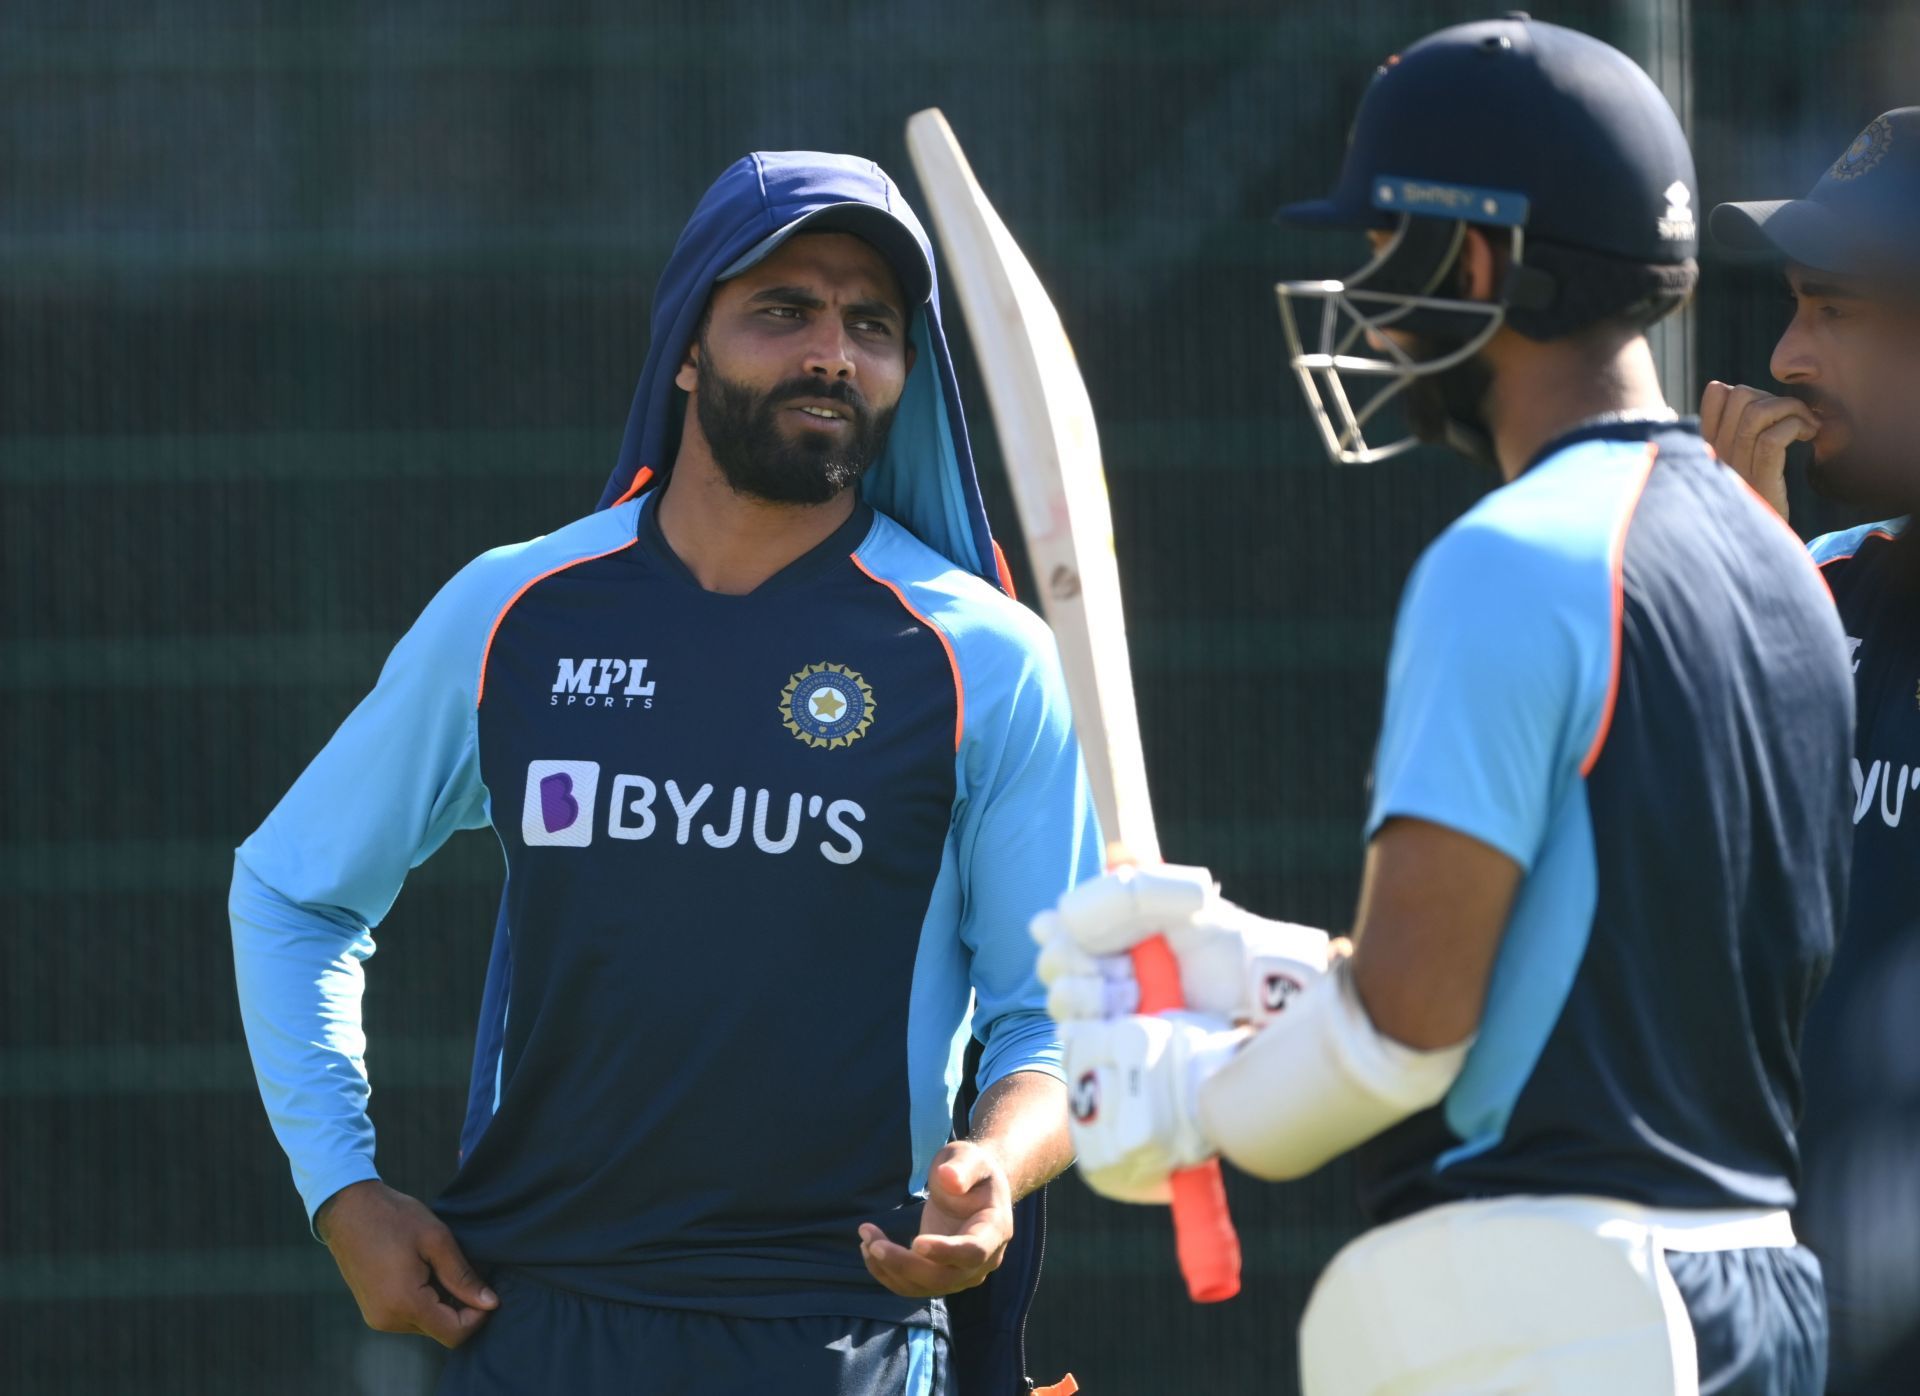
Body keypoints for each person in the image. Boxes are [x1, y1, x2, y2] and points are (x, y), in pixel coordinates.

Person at [1032, 17, 1851, 1396]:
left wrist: (1179, 1101)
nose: (1362, 298)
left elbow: (1413, 1025)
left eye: (1380, 253)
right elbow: (1591, 984)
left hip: (1559, 1312)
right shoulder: (1783, 563)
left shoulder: (1510, 560)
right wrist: (1258, 969)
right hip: (1753, 1289)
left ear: (1474, 263)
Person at [230, 150, 1096, 1396]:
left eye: (873, 325)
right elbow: (291, 892)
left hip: (837, 1330)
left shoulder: (985, 659)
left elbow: (1056, 1022)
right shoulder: (515, 610)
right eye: (783, 311)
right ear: (686, 347)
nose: (832, 354)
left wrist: (996, 1171)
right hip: (533, 1327)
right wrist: (342, 1189)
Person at [1702, 106, 1920, 1395]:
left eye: (1836, 310)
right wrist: (1750, 595)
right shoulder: (1814, 589)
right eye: (1792, 306)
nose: (1785, 355)